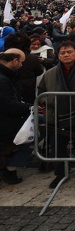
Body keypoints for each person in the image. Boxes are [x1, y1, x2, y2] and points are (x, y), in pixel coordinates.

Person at [38, 41, 75, 189]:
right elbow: (41, 93)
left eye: (69, 52)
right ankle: (60, 173)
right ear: (58, 55)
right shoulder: (50, 74)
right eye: (62, 53)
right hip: (57, 115)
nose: (66, 55)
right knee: (57, 146)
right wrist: (50, 100)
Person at [0, 49, 30, 184]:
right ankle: (9, 169)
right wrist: (29, 107)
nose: (22, 65)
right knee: (26, 140)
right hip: (6, 121)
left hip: (7, 119)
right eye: (21, 62)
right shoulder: (3, 79)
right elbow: (8, 104)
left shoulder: (7, 76)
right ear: (15, 61)